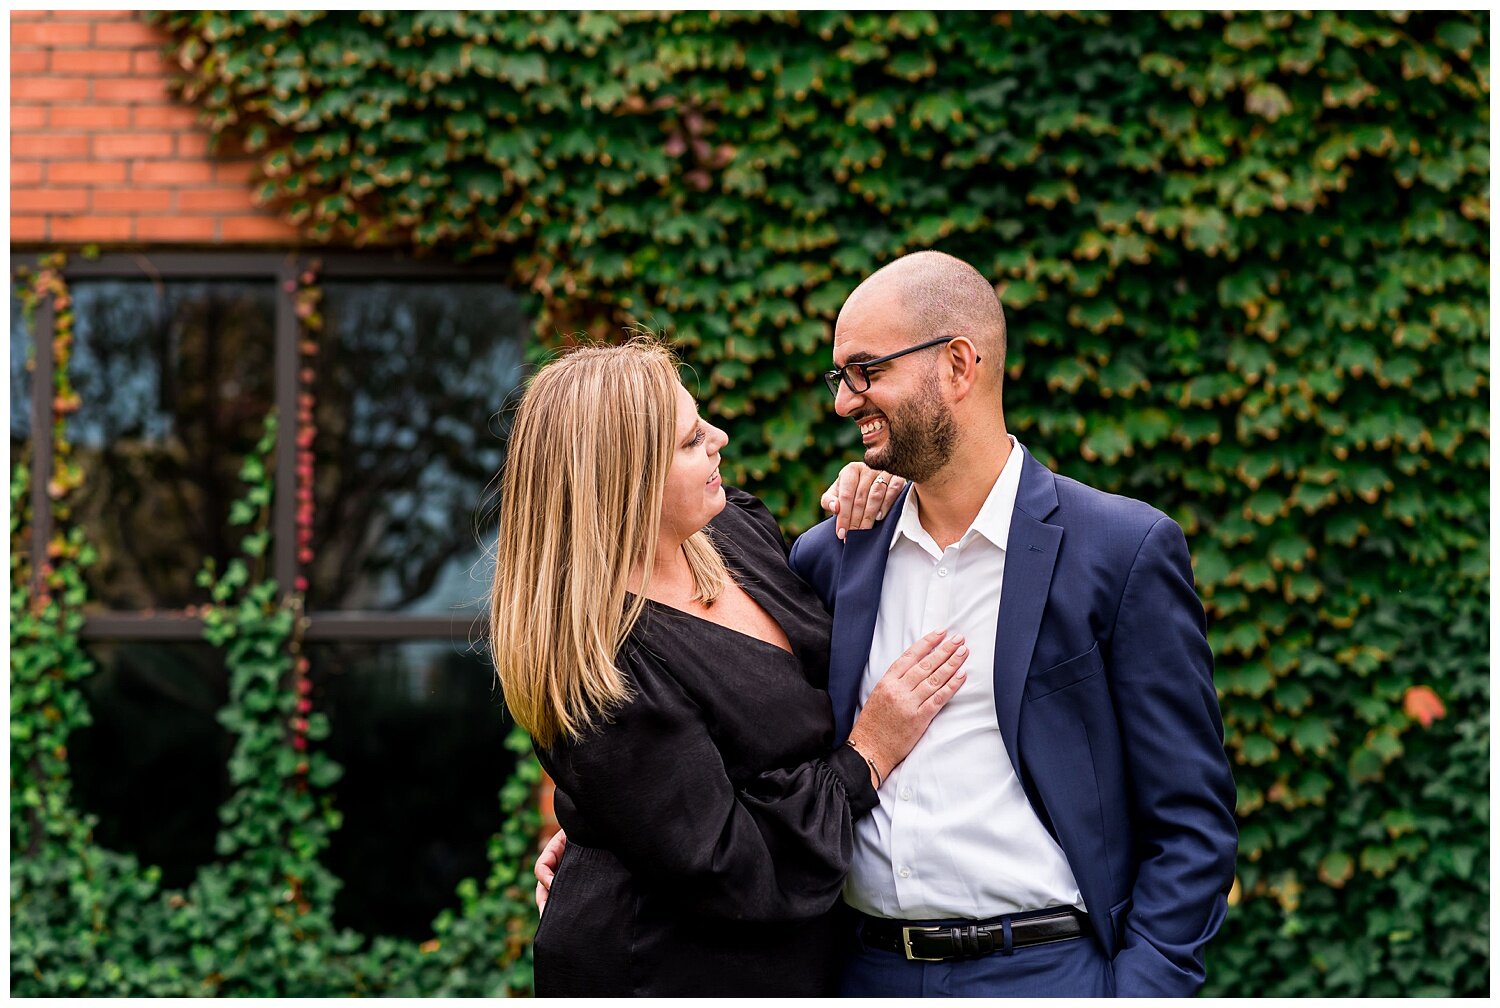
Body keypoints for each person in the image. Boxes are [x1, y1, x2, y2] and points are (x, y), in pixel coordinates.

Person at [787, 250, 1239, 996]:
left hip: (1046, 974)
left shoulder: (1120, 552)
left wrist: (1139, 993)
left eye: (866, 371)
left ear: (959, 364)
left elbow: (1192, 822)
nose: (845, 401)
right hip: (864, 974)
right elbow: (753, 740)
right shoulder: (830, 557)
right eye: (841, 377)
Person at [489, 338, 969, 996]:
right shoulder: (605, 670)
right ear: (623, 480)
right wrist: (868, 754)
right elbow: (732, 865)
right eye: (690, 441)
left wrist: (875, 500)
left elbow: (824, 630)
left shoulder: (727, 531)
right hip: (675, 970)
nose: (719, 437)